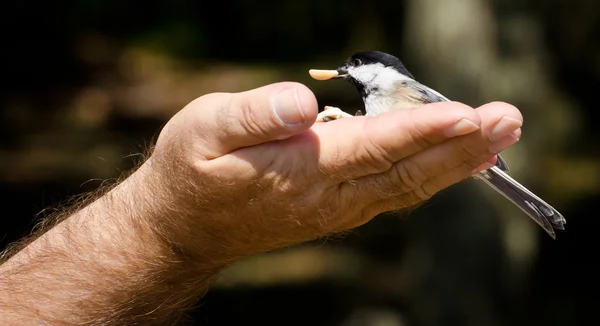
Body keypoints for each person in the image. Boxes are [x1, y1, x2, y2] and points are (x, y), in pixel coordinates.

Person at [0, 81, 522, 324]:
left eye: (357, 66)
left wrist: (163, 227)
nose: (349, 71)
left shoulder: (403, 87)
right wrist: (165, 223)